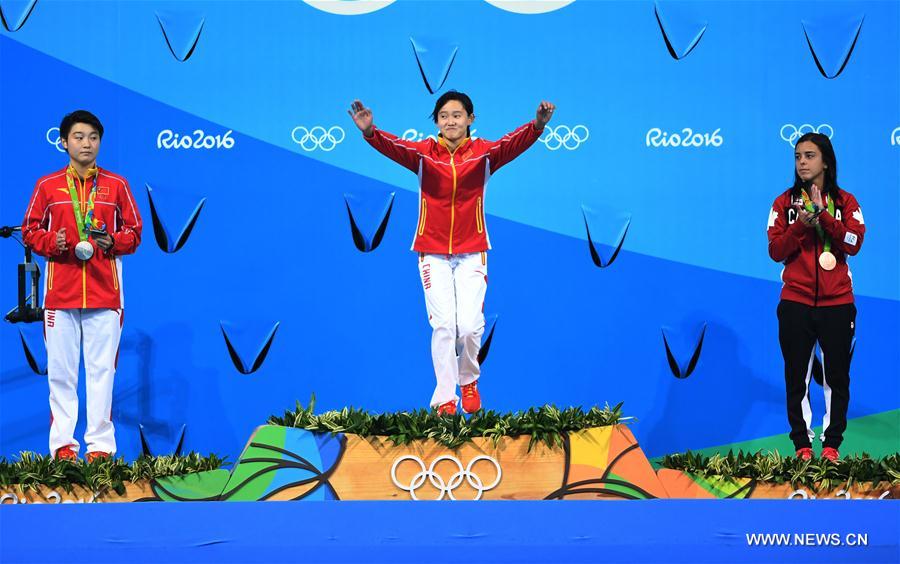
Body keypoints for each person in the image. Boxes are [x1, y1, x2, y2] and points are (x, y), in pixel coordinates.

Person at [349, 91, 554, 415]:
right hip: (432, 253)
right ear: (437, 122)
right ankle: (445, 397)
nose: (451, 121)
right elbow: (394, 146)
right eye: (444, 116)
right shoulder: (424, 154)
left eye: (457, 115)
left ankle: (469, 379)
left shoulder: (485, 153)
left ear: (470, 119)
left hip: (473, 252)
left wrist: (537, 126)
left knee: (470, 326)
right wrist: (370, 132)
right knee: (444, 325)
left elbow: (512, 143)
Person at [22, 110, 142, 461]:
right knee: (61, 372)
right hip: (60, 294)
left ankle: (101, 448)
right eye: (78, 136)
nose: (86, 143)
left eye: (92, 137)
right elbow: (30, 230)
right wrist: (52, 243)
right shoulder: (48, 186)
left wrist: (113, 242)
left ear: (99, 142)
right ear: (64, 142)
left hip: (106, 294)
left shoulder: (116, 185)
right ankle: (63, 447)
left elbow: (134, 234)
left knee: (102, 371)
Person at [766, 132, 864, 462]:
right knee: (797, 376)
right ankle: (803, 447)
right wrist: (802, 225)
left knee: (837, 376)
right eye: (797, 157)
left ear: (825, 161)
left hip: (837, 304)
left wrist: (824, 218)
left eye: (809, 156)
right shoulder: (784, 203)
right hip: (795, 302)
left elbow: (853, 242)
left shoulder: (847, 202)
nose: (802, 162)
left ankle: (832, 445)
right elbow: (775, 250)